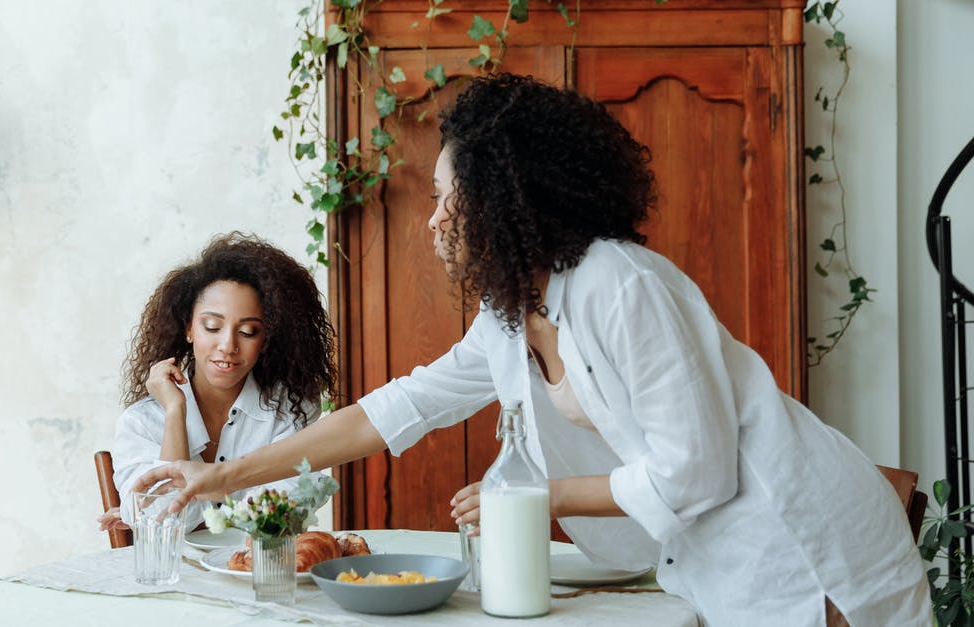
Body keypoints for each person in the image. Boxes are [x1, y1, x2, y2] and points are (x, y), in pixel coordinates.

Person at [130, 75, 930, 626]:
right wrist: (218, 475)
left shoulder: (620, 283)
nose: (435, 221)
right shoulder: (513, 316)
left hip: (807, 545)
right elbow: (392, 411)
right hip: (723, 561)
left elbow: (699, 468)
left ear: (509, 201)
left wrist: (537, 498)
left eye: (450, 199)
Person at [97, 232, 337, 532]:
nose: (227, 345)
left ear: (265, 341)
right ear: (189, 329)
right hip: (178, 578)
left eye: (248, 331)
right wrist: (174, 412)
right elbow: (164, 525)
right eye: (212, 327)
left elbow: (281, 514)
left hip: (260, 573)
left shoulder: (289, 411)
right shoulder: (143, 422)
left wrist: (211, 492)